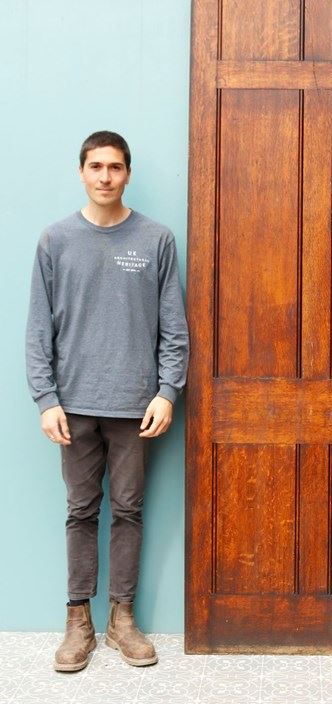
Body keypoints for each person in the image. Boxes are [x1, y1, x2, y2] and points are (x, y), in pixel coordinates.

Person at [25, 131, 189, 672]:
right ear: (81, 171)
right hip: (72, 406)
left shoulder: (156, 239)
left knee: (129, 510)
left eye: (114, 167)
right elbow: (38, 329)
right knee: (80, 511)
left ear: (127, 174)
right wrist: (46, 398)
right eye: (95, 166)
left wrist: (167, 391)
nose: (105, 176)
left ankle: (122, 620)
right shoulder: (55, 240)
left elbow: (174, 327)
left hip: (134, 406)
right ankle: (78, 621)